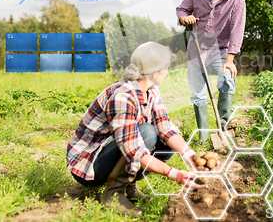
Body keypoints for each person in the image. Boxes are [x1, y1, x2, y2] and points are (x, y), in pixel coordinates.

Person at [67, 42, 207, 218]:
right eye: (167, 68)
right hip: (90, 163)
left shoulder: (151, 90)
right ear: (156, 72)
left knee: (167, 142)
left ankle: (129, 186)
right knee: (147, 133)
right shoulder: (122, 95)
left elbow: (165, 126)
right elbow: (133, 149)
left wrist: (190, 155)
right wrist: (173, 173)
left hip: (115, 148)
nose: (168, 72)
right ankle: (113, 193)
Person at [176, 0, 246, 141]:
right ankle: (204, 136)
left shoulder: (237, 0)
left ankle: (223, 124)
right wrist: (185, 18)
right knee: (197, 91)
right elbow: (181, 9)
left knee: (228, 78)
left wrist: (230, 59)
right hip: (196, 47)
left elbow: (237, 30)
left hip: (221, 48)